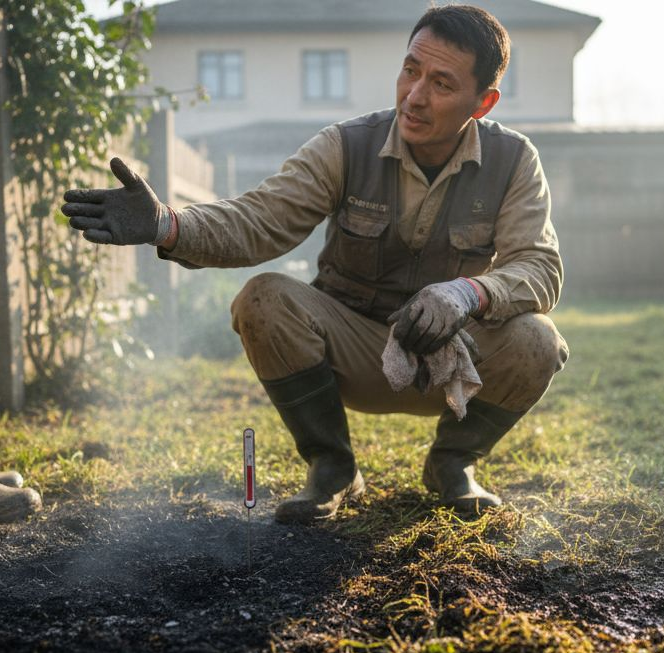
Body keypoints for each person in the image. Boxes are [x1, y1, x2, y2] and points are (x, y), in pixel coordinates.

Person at [61, 4, 568, 524]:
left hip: (455, 365)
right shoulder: (345, 145)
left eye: (441, 83)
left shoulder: (514, 160)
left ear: (482, 102)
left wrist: (467, 293)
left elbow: (540, 265)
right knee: (264, 297)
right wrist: (168, 224)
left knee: (538, 339)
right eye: (410, 70)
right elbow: (261, 218)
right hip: (354, 353)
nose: (414, 96)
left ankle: (453, 463)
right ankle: (332, 466)